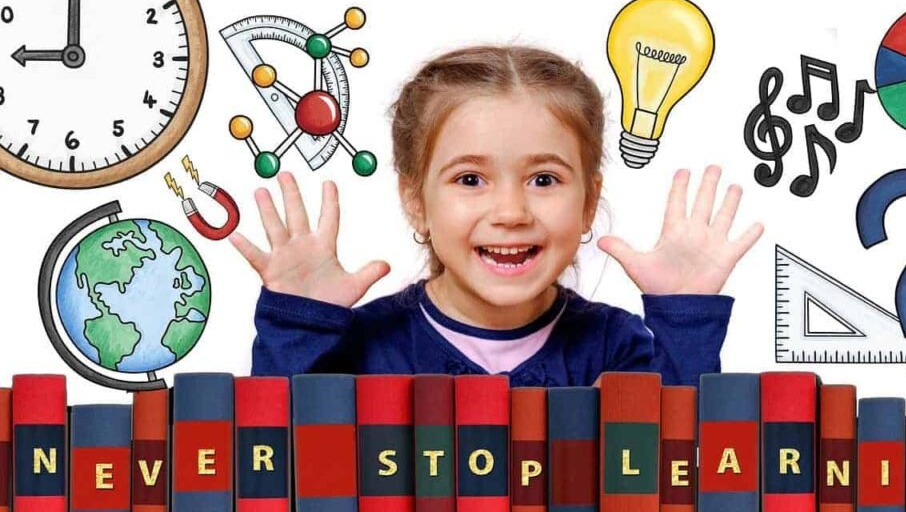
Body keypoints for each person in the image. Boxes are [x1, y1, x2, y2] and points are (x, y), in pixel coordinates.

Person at [231, 45, 763, 387]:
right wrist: (296, 324)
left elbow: (682, 477)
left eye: (544, 180)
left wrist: (684, 318)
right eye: (470, 180)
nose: (511, 212)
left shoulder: (615, 349)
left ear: (587, 202)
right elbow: (271, 475)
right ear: (416, 201)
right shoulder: (362, 349)